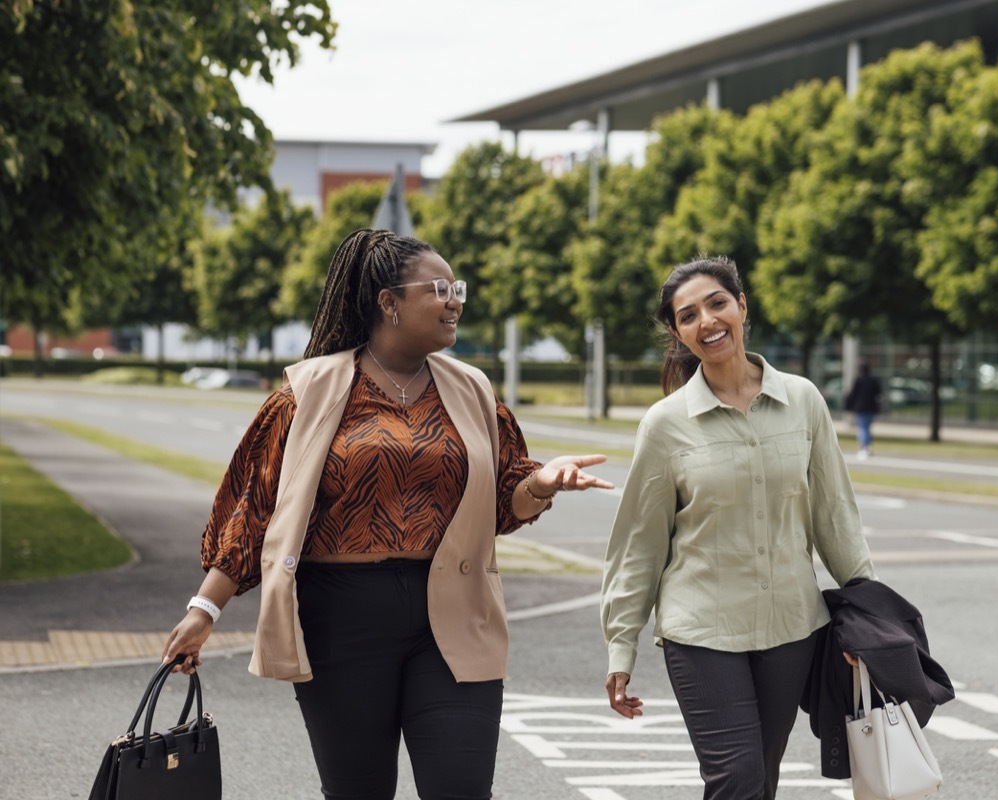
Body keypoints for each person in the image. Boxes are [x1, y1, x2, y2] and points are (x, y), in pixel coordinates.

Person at [162, 228, 614, 800]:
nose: (456, 300)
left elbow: (505, 502)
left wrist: (542, 483)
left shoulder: (473, 390)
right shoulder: (309, 391)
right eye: (440, 288)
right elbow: (254, 507)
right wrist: (205, 608)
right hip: (341, 620)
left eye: (459, 288)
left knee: (461, 789)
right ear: (388, 303)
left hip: (454, 611)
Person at [600, 256, 876, 800]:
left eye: (717, 303)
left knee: (761, 779)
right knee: (738, 778)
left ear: (742, 306)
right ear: (678, 332)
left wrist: (868, 617)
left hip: (791, 628)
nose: (706, 320)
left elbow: (835, 516)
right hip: (701, 629)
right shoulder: (665, 424)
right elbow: (640, 544)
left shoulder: (803, 400)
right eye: (688, 315)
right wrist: (621, 645)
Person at [843, 361, 882, 459]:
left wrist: (848, 406)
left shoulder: (859, 380)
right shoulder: (873, 380)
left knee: (863, 428)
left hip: (861, 408)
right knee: (867, 428)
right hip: (871, 408)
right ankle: (867, 446)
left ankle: (864, 447)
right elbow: (878, 393)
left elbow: (853, 394)